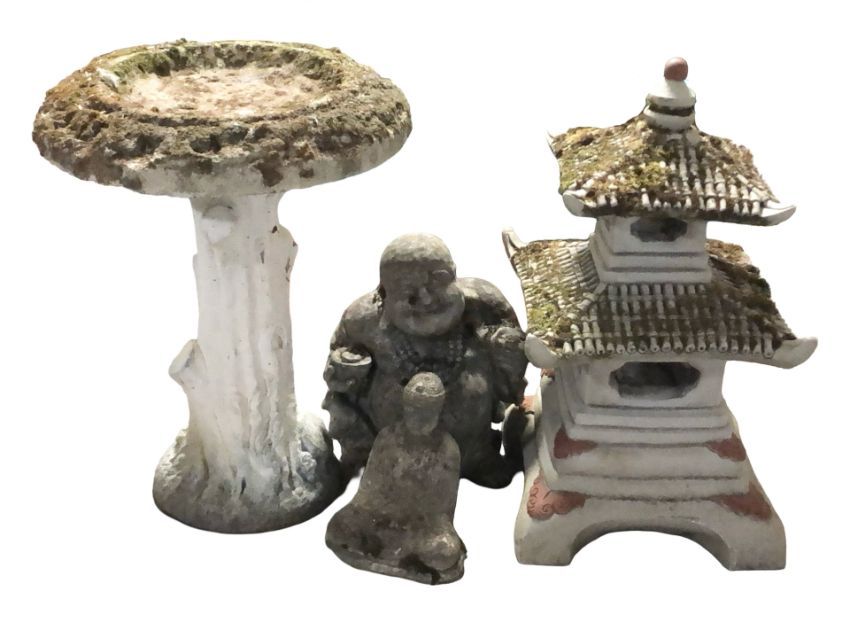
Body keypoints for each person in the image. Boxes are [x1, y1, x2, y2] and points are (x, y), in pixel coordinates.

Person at [322, 233, 527, 488]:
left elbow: (515, 356)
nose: (426, 298)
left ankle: (477, 461)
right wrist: (345, 370)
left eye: (437, 279)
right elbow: (337, 373)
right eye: (406, 289)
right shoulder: (362, 320)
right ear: (384, 293)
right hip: (395, 446)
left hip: (474, 441)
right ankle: (385, 465)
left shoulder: (484, 304)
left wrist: (506, 349)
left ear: (453, 273)